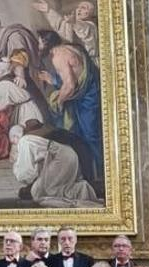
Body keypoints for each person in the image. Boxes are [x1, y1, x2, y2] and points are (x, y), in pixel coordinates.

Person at [37, 29, 103, 171]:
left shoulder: (58, 56)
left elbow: (70, 85)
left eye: (39, 42)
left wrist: (59, 101)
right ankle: (88, 171)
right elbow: (76, 77)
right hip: (88, 94)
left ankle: (98, 174)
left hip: (87, 100)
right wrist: (53, 80)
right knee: (82, 136)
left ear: (46, 43)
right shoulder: (69, 48)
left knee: (90, 135)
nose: (38, 46)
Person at [13, 119, 101, 206]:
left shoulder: (25, 141)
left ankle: (85, 190)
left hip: (62, 159)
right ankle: (85, 189)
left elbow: (25, 172)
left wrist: (18, 171)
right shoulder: (41, 136)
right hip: (68, 156)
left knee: (46, 192)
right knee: (42, 189)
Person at [33, 0, 99, 65]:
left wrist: (74, 23)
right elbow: (60, 24)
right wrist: (48, 11)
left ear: (90, 13)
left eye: (83, 8)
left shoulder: (90, 26)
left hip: (91, 63)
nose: (79, 10)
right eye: (79, 7)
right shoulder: (72, 24)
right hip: (78, 62)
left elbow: (84, 30)